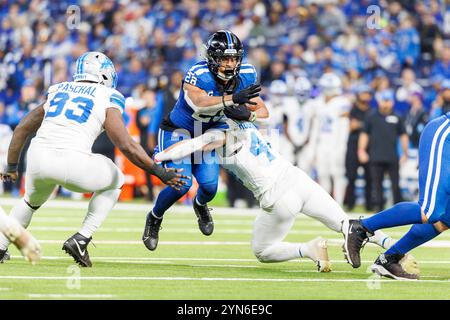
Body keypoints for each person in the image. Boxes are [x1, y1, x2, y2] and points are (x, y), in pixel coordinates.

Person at [0, 51, 188, 267]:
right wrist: (159, 171)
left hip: (37, 159)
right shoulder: (108, 95)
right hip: (72, 161)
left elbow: (23, 127)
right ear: (103, 74)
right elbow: (125, 144)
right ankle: (82, 238)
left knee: (29, 202)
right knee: (116, 178)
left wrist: (12, 166)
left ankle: (0, 246)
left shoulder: (58, 88)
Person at [152, 119, 397, 271]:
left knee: (263, 251)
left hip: (278, 197)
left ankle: (308, 249)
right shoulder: (251, 122)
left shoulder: (220, 132)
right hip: (299, 180)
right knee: (348, 224)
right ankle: (393, 246)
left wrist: (158, 158)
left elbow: (191, 146)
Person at [142, 30, 267, 251]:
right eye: (225, 58)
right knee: (181, 185)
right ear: (212, 58)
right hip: (180, 130)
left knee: (209, 187)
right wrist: (232, 99)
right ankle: (154, 217)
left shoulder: (246, 74)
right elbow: (199, 103)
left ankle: (200, 205)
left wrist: (249, 116)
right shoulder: (198, 73)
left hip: (209, 131)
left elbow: (263, 111)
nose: (230, 64)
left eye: (234, 58)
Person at [344, 106, 450, 279]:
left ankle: (389, 259)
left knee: (445, 220)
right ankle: (361, 228)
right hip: (445, 137)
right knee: (429, 210)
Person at [358, 89, 409, 212]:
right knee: (377, 185)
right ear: (379, 101)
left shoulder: (397, 117)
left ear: (392, 102)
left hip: (392, 156)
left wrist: (405, 153)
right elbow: (365, 134)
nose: (386, 104)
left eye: (388, 100)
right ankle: (379, 208)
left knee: (395, 185)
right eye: (384, 100)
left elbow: (403, 135)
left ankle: (399, 210)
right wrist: (361, 150)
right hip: (375, 156)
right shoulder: (371, 116)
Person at [314, 72, 351, 206]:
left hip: (336, 144)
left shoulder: (342, 102)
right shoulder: (318, 102)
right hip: (322, 143)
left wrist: (341, 147)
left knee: (337, 173)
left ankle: (338, 204)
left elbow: (344, 127)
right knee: (323, 173)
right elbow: (316, 127)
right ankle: (325, 205)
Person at [345, 84, 373, 211]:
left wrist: (360, 125)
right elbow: (352, 126)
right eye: (363, 93)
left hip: (369, 147)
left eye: (367, 93)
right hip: (352, 145)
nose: (366, 96)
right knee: (351, 176)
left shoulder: (371, 111)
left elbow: (369, 127)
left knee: (369, 177)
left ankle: (369, 205)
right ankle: (350, 203)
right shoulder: (353, 109)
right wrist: (365, 125)